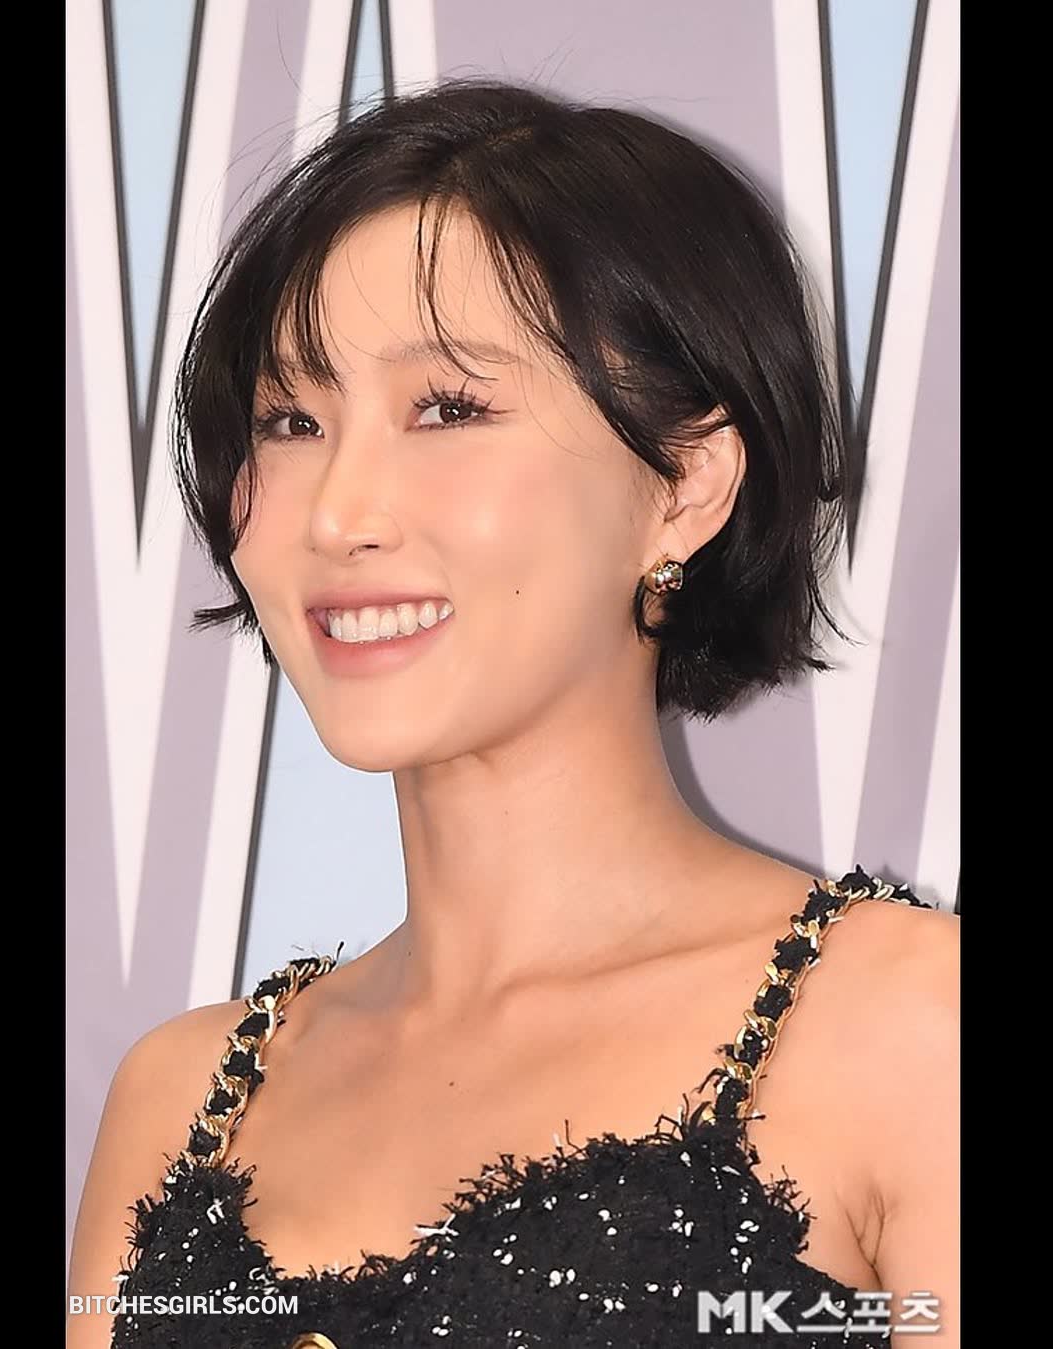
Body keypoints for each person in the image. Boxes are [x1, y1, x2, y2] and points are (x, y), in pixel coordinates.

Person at [67, 78, 959, 1348]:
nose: (339, 512)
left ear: (685, 485)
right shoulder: (184, 1098)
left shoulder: (909, 1030)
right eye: (290, 420)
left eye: (449, 408)